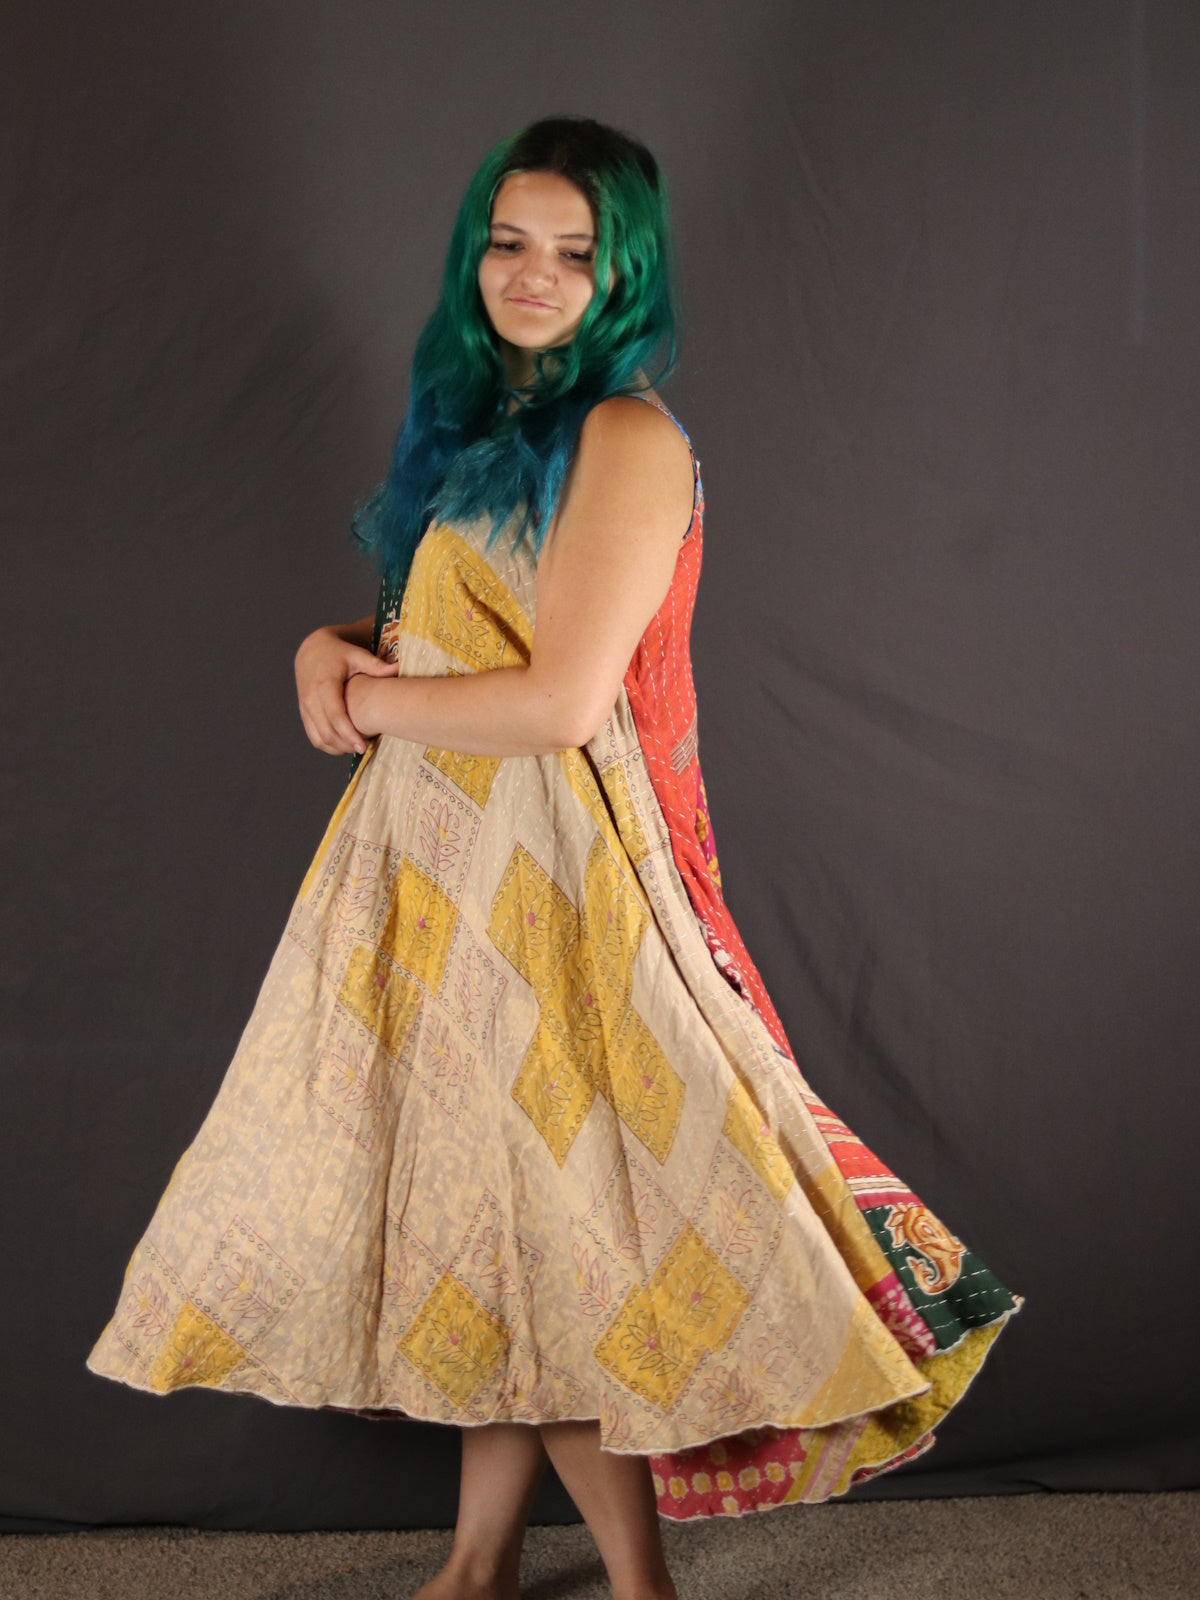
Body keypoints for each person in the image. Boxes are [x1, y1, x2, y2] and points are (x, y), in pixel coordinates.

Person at [89, 117, 1022, 1600]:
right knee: (495, 1212)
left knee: (562, 1219)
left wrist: (365, 703)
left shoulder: (628, 440)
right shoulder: (484, 430)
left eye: (576, 254)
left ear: (623, 275)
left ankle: (630, 1585)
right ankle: (476, 1563)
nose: (534, 275)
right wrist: (329, 645)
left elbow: (560, 699)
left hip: (561, 883)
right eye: (508, 243)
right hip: (441, 870)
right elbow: (450, 630)